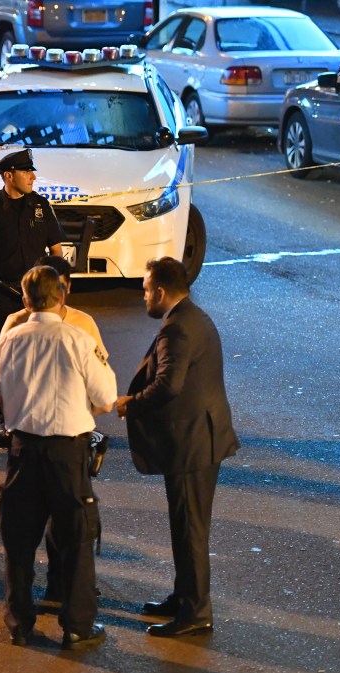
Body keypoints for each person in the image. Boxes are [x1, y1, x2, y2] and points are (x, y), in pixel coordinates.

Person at [0, 265, 116, 649]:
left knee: (18, 542)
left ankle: (20, 623)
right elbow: (106, 398)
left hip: (22, 452)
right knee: (76, 540)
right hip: (69, 455)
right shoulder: (79, 339)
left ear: (25, 299)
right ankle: (77, 625)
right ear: (62, 296)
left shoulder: (8, 340)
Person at [115, 257, 239, 638]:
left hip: (192, 445)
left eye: (146, 291)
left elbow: (169, 385)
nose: (144, 298)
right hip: (202, 438)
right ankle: (183, 596)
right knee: (186, 525)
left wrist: (128, 404)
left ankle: (195, 613)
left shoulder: (177, 330)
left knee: (190, 530)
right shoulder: (194, 316)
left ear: (162, 291)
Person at [0, 254, 109, 603]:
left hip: (65, 437)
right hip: (40, 440)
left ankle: (52, 595)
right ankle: (72, 616)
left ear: (64, 290)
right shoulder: (15, 325)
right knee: (37, 525)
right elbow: (106, 394)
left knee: (62, 529)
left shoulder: (84, 325)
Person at [0, 148, 66, 447]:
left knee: (42, 360)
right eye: (26, 172)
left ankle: (38, 420)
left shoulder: (39, 205)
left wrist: (59, 291)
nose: (33, 176)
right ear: (9, 176)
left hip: (38, 299)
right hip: (2, 298)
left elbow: (56, 251)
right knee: (1, 362)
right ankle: (10, 425)